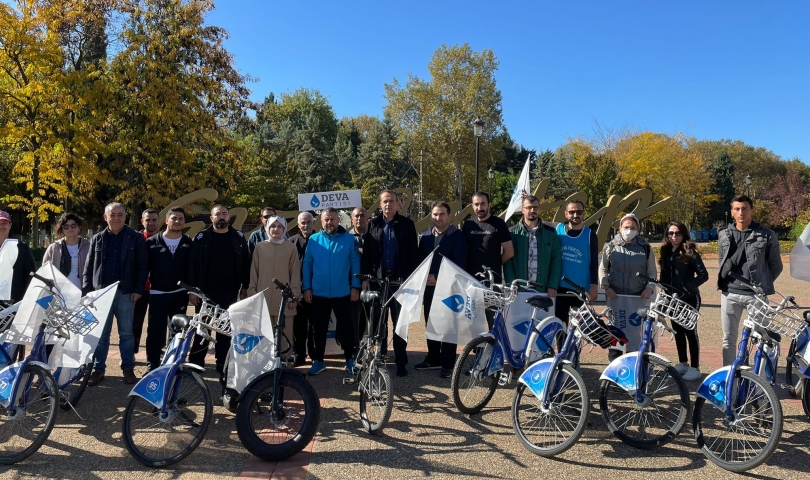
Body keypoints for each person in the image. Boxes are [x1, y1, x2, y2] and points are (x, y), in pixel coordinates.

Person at [82, 202, 148, 386]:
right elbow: (88, 267)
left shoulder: (135, 238)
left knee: (126, 333)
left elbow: (143, 266)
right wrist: (88, 292)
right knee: (101, 335)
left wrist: (138, 289)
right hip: (101, 294)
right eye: (113, 215)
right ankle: (98, 369)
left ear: (125, 217)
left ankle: (128, 368)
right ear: (106, 217)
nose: (116, 218)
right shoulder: (97, 239)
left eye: (120, 215)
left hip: (126, 293)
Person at [718, 195, 782, 366]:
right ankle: (730, 377)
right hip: (730, 294)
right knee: (728, 339)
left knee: (761, 338)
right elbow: (722, 263)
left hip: (756, 295)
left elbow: (776, 266)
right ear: (732, 212)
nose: (741, 212)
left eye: (745, 208)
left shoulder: (766, 235)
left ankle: (757, 378)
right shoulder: (724, 235)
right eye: (737, 209)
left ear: (752, 210)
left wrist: (762, 283)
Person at [187, 204, 250, 375]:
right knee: (202, 329)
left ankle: (223, 364)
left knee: (225, 332)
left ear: (229, 217)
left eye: (224, 214)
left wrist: (245, 286)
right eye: (218, 214)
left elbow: (246, 263)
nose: (221, 217)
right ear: (211, 218)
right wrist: (193, 290)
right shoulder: (201, 238)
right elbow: (192, 264)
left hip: (229, 292)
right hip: (205, 293)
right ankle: (196, 363)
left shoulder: (238, 237)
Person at [365, 191, 419, 377]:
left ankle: (401, 361)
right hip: (378, 282)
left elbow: (414, 254)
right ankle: (379, 357)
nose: (388, 205)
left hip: (400, 282)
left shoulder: (407, 225)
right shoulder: (372, 224)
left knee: (399, 323)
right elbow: (366, 256)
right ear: (380, 204)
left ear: (398, 204)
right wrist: (366, 278)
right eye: (385, 202)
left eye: (392, 201)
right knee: (379, 324)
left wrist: (412, 279)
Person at [302, 208, 361, 375]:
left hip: (343, 292)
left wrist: (355, 286)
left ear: (339, 220)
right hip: (319, 293)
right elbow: (307, 265)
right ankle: (318, 361)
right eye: (326, 219)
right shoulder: (313, 240)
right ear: (321, 221)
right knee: (318, 328)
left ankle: (350, 360)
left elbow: (355, 264)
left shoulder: (349, 240)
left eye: (333, 219)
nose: (330, 222)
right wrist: (307, 287)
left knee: (347, 327)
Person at [414, 201, 467, 378]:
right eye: (435, 214)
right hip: (429, 291)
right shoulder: (426, 237)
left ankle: (448, 363)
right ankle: (433, 359)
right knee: (432, 325)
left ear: (449, 216)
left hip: (449, 290)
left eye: (442, 214)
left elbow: (460, 264)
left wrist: (438, 278)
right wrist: (425, 278)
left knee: (449, 328)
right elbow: (420, 263)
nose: (438, 218)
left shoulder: (457, 236)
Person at [598, 213, 656, 360]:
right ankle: (614, 365)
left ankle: (633, 363)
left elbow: (652, 271)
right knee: (615, 332)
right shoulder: (611, 246)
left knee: (634, 334)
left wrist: (649, 287)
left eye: (633, 227)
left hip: (637, 298)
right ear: (620, 229)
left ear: (637, 229)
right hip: (615, 297)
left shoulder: (645, 248)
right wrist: (606, 286)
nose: (629, 230)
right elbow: (603, 269)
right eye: (626, 227)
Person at [144, 207, 193, 371]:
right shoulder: (152, 243)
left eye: (181, 218)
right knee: (155, 331)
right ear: (166, 221)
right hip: (157, 293)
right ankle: (152, 363)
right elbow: (143, 268)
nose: (177, 221)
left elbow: (192, 268)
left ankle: (173, 362)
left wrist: (192, 290)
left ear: (184, 221)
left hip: (179, 294)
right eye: (174, 218)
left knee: (178, 331)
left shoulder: (188, 242)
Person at [659, 222, 708, 380]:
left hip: (689, 298)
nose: (674, 236)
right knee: (677, 331)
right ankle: (683, 362)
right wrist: (664, 290)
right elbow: (664, 275)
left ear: (683, 234)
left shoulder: (690, 251)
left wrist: (687, 287)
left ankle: (695, 367)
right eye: (671, 233)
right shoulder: (666, 251)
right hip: (672, 299)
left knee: (690, 332)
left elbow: (703, 275)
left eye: (678, 233)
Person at [248, 216, 300, 359]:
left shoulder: (291, 247)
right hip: (263, 298)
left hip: (284, 300)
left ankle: (283, 367)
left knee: (284, 335)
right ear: (267, 228)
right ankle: (266, 369)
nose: (276, 229)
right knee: (264, 335)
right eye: (272, 226)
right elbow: (254, 273)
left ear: (284, 229)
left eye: (279, 226)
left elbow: (295, 274)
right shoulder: (260, 247)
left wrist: (294, 295)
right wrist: (253, 294)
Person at [463, 192, 514, 328]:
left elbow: (509, 252)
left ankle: (497, 348)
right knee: (473, 323)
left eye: (483, 204)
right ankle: (477, 349)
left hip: (493, 283)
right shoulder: (468, 225)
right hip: (472, 282)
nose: (480, 207)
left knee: (495, 321)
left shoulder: (499, 224)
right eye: (476, 204)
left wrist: (494, 264)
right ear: (472, 206)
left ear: (489, 205)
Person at [554, 200, 600, 338]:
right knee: (560, 324)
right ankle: (562, 354)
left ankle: (574, 355)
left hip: (581, 288)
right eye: (572, 212)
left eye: (579, 212)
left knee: (580, 328)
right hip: (560, 287)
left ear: (583, 214)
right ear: (566, 214)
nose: (575, 215)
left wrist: (593, 285)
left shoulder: (590, 235)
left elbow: (593, 263)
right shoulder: (558, 230)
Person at [504, 195, 562, 298]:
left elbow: (556, 260)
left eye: (535, 207)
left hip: (543, 290)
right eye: (528, 207)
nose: (532, 210)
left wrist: (552, 285)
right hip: (518, 290)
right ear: (522, 210)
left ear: (539, 209)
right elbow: (508, 262)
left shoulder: (551, 233)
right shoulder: (512, 233)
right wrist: (511, 285)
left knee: (543, 315)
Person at [288, 211, 316, 365]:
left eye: (309, 222)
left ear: (313, 223)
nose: (306, 225)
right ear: (298, 225)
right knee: (298, 326)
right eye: (303, 223)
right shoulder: (291, 242)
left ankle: (314, 355)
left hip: (316, 290)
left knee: (315, 325)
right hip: (297, 291)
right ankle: (299, 355)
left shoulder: (320, 240)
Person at [133, 209, 159, 355]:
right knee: (135, 322)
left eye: (154, 220)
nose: (151, 223)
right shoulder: (136, 239)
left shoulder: (163, 239)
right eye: (148, 220)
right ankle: (132, 351)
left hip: (158, 288)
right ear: (142, 221)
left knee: (156, 323)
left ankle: (155, 351)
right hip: (139, 288)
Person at [42, 212, 90, 290]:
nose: (70, 228)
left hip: (83, 290)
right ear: (62, 229)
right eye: (66, 227)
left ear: (79, 227)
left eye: (73, 226)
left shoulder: (88, 246)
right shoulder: (54, 248)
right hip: (60, 292)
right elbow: (44, 271)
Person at [0, 210, 35, 303]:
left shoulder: (22, 247)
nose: (1, 226)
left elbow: (31, 273)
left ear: (10, 225)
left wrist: (26, 298)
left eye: (4, 223)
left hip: (14, 301)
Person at [348, 207, 371, 341]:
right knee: (354, 318)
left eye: (362, 215)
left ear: (367, 218)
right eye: (356, 216)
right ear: (351, 219)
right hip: (352, 284)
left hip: (371, 282)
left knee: (374, 319)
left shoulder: (374, 236)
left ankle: (379, 352)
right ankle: (354, 349)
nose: (359, 218)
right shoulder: (347, 238)